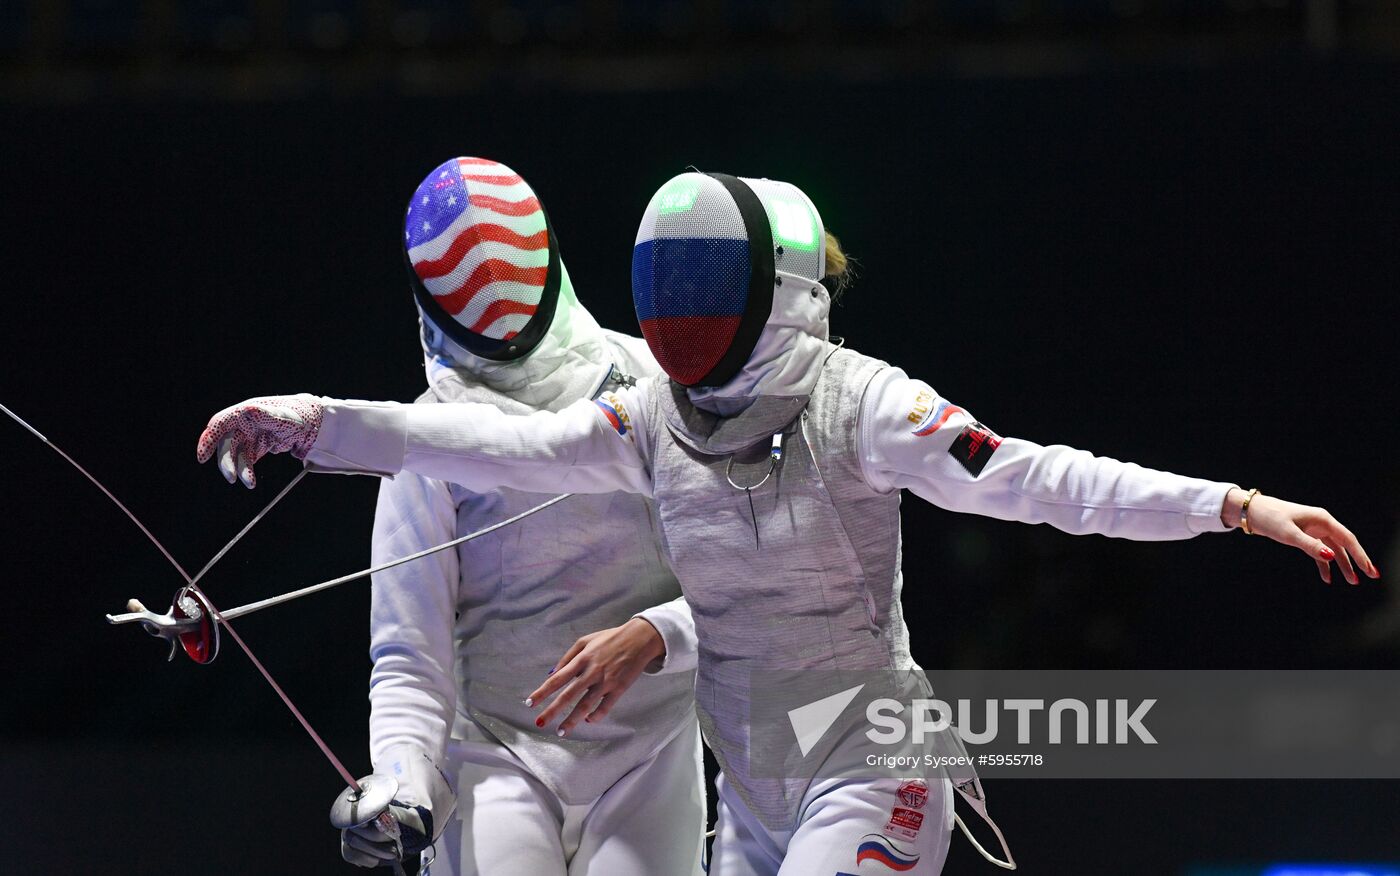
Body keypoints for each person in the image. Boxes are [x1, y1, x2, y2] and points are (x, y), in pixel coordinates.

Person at [198, 171, 1377, 875]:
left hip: (872, 762)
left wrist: (1232, 506)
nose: (678, 316)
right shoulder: (650, 417)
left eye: (701, 287)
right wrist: (315, 424)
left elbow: (1040, 480)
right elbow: (484, 445)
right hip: (752, 796)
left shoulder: (865, 408)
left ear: (764, 290)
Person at [239, 157, 707, 876]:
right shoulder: (429, 438)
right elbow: (410, 655)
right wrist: (403, 788)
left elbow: (753, 581)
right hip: (498, 754)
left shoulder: (655, 388)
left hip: (653, 750)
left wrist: (655, 633)